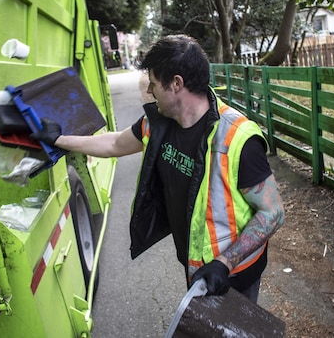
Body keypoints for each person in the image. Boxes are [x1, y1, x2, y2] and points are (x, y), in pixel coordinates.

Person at [32, 34, 284, 303]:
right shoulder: (159, 123)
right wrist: (60, 140)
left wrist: (224, 262)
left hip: (232, 276)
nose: (150, 92)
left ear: (176, 84)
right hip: (195, 267)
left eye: (153, 84)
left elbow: (273, 212)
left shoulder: (237, 137)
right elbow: (115, 143)